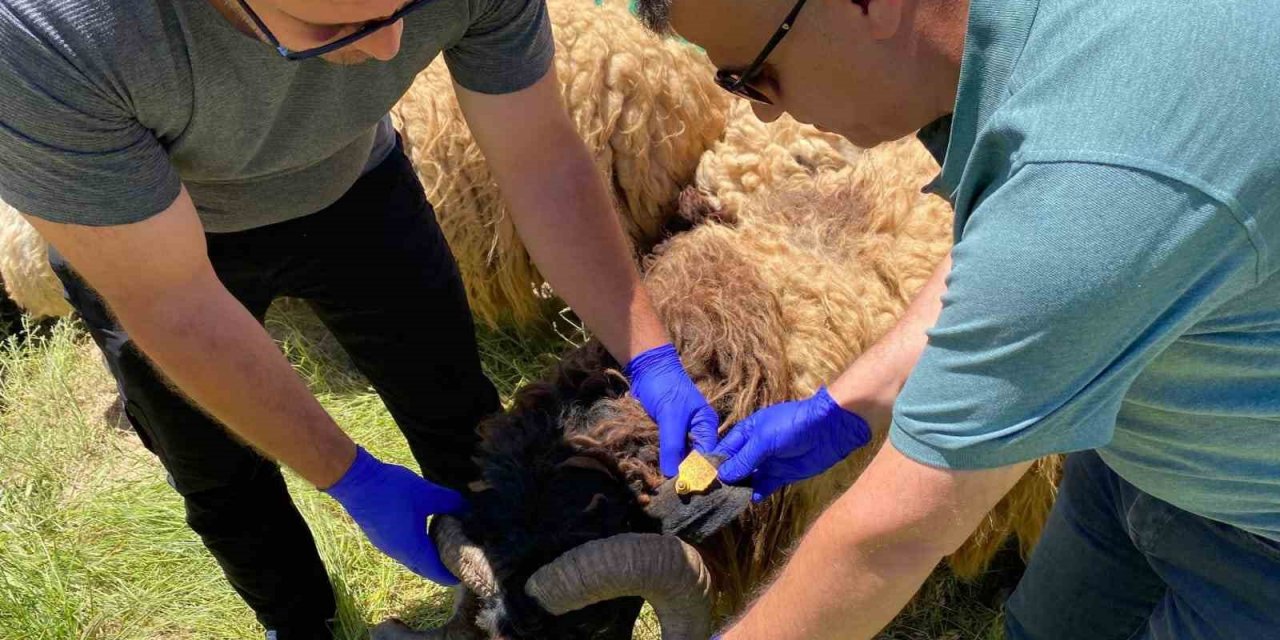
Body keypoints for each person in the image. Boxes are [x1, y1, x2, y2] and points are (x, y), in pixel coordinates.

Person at [0, 1, 720, 638]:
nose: (389, 48)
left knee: (457, 411)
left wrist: (648, 353)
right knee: (215, 468)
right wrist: (349, 476)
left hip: (356, 192)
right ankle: (296, 618)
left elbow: (540, 155)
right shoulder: (45, 36)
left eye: (413, 5)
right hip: (142, 239)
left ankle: (506, 593)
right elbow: (172, 299)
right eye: (336, 28)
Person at [632, 0, 1280, 638]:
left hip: (1258, 531)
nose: (761, 113)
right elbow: (1019, 238)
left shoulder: (1100, 173)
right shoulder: (1051, 62)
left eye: (754, 75)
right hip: (1147, 454)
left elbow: (892, 539)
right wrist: (854, 401)